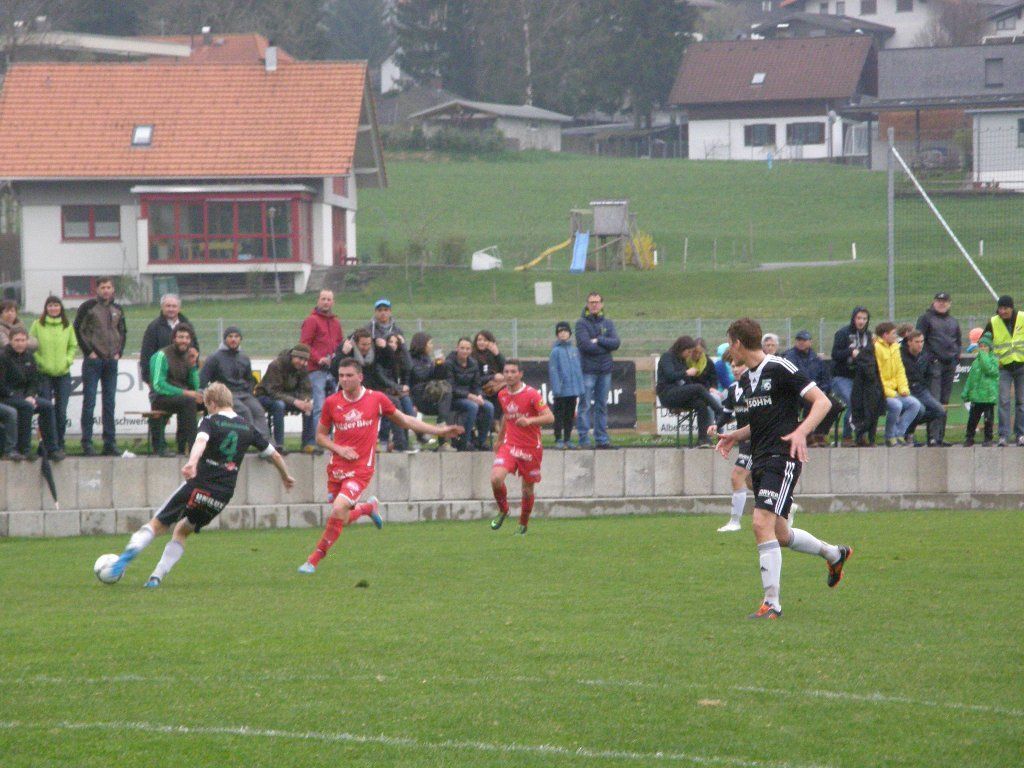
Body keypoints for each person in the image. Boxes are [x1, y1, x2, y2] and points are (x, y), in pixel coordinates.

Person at [714, 317, 851, 620]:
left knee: (760, 522)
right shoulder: (747, 379)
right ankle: (834, 553)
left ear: (738, 343)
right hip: (760, 457)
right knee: (781, 534)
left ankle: (771, 604)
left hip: (782, 456)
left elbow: (822, 402)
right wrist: (736, 435)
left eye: (729, 344)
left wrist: (802, 432)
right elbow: (762, 421)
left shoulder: (780, 367)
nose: (729, 352)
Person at [105, 382, 295, 587]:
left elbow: (201, 442)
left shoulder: (210, 421)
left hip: (199, 484)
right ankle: (156, 577)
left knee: (157, 524)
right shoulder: (247, 427)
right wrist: (285, 476)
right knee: (182, 531)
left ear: (212, 403)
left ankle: (125, 557)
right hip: (222, 495)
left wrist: (192, 462)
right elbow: (274, 454)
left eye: (206, 405)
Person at [298, 358, 463, 573]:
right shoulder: (332, 402)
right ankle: (367, 508)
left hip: (361, 468)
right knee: (342, 517)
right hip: (336, 468)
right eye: (341, 376)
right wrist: (339, 449)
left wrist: (440, 430)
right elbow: (320, 436)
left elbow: (406, 420)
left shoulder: (376, 399)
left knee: (338, 508)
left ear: (360, 377)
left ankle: (313, 560)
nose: (344, 380)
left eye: (349, 375)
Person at [490, 359, 555, 535]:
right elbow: (507, 416)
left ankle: (523, 524)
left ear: (520, 374)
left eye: (513, 372)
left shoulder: (532, 394)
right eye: (506, 372)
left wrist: (530, 420)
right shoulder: (503, 394)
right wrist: (499, 439)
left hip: (531, 447)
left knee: (527, 489)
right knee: (496, 478)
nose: (509, 375)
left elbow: (550, 417)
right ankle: (504, 510)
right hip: (510, 444)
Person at [73, 277, 126, 456]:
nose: (106, 290)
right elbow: (78, 329)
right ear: (97, 289)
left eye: (109, 287)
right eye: (103, 287)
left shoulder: (117, 308)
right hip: (93, 361)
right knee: (90, 402)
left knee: (109, 402)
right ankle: (87, 442)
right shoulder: (88, 307)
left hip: (111, 361)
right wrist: (88, 352)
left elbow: (122, 330)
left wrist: (119, 352)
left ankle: (109, 442)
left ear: (113, 289)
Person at [0, 328, 62, 461]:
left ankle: (51, 449)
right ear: (10, 341)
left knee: (47, 406)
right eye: (16, 340)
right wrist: (20, 397)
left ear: (27, 341)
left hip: (25, 396)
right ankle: (25, 449)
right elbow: (2, 385)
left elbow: (34, 381)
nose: (20, 343)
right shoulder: (3, 357)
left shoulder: (29, 356)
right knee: (26, 407)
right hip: (6, 397)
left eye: (23, 340)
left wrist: (30, 395)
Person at [200, 326, 269, 440]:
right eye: (230, 336)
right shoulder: (215, 357)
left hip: (244, 394)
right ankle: (249, 440)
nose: (233, 339)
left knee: (258, 410)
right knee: (245, 412)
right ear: (225, 339)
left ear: (240, 339)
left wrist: (249, 393)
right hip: (225, 395)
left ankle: (266, 443)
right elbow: (203, 378)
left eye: (236, 336)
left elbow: (249, 379)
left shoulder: (244, 357)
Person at [706, 351, 750, 532]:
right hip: (744, 441)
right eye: (732, 366)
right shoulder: (733, 389)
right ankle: (786, 506)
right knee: (752, 482)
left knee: (737, 475)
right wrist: (716, 425)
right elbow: (726, 413)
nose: (735, 369)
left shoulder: (755, 387)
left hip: (758, 440)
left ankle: (735, 522)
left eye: (739, 365)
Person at [655, 335, 725, 447]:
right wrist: (687, 373)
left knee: (701, 404)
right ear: (681, 348)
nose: (689, 354)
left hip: (679, 394)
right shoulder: (667, 357)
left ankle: (703, 440)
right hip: (667, 394)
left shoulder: (682, 360)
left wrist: (698, 392)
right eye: (688, 351)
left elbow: (687, 382)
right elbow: (670, 375)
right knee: (698, 387)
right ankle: (720, 412)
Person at [29, 296, 77, 452]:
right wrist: (39, 361)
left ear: (60, 308)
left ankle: (59, 443)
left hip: (63, 374)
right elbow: (31, 346)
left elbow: (72, 345)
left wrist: (68, 360)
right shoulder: (37, 324)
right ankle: (44, 444)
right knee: (45, 410)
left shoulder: (67, 325)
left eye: (56, 305)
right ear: (46, 308)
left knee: (61, 411)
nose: (53, 308)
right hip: (44, 374)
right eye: (50, 305)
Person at [299, 290, 344, 454]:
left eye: (329, 299)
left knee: (334, 406)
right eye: (323, 299)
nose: (326, 302)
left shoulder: (336, 322)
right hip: (316, 370)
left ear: (333, 302)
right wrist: (319, 359)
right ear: (318, 301)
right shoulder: (311, 320)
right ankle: (321, 440)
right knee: (319, 406)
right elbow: (304, 344)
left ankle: (331, 439)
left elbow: (339, 343)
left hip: (333, 370)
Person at [149, 324, 203, 456]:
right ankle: (193, 448)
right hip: (161, 397)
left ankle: (193, 445)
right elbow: (158, 385)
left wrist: (193, 365)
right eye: (180, 337)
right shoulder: (161, 355)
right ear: (174, 338)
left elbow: (195, 386)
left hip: (182, 398)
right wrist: (185, 393)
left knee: (208, 403)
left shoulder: (188, 356)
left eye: (187, 338)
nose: (184, 341)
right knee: (188, 401)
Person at [575, 292, 620, 449]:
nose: (594, 305)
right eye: (591, 302)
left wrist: (599, 340)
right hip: (588, 370)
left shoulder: (608, 323)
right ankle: (584, 439)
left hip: (605, 370)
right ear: (587, 304)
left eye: (597, 302)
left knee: (602, 405)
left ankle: (601, 439)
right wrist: (605, 346)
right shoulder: (581, 324)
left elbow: (616, 343)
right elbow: (585, 346)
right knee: (585, 405)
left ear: (602, 304)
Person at [783, 330, 841, 447]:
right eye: (799, 340)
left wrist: (823, 390)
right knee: (812, 402)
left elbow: (826, 379)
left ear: (810, 342)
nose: (801, 342)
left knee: (834, 405)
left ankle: (820, 433)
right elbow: (792, 377)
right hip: (798, 392)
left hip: (817, 391)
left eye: (804, 340)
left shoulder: (816, 359)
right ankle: (807, 433)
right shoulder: (790, 357)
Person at [254, 344, 313, 453]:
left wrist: (305, 400)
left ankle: (308, 444)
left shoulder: (302, 368)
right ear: (293, 356)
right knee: (279, 405)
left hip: (286, 397)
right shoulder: (276, 365)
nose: (302, 362)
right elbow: (273, 392)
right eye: (300, 359)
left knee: (309, 407)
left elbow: (306, 389)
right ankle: (279, 444)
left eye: (305, 360)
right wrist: (295, 401)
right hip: (265, 396)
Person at [982, 295, 1024, 446]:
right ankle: (1003, 435)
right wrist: (992, 360)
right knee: (1004, 401)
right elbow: (984, 342)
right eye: (1000, 308)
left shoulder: (1022, 318)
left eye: (1005, 308)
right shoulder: (993, 322)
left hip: (1021, 366)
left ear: (1012, 308)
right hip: (1003, 368)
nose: (1003, 311)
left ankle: (1021, 434)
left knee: (1021, 401)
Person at [874, 322, 922, 447]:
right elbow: (877, 376)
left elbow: (900, 371)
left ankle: (899, 433)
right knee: (896, 405)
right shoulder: (876, 348)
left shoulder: (895, 347)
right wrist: (890, 393)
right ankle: (889, 436)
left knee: (915, 404)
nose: (896, 336)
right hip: (881, 392)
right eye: (893, 333)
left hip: (895, 391)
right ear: (885, 335)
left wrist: (903, 389)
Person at [408, 332, 457, 452]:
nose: (431, 346)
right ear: (422, 344)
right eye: (429, 343)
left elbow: (438, 377)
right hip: (418, 396)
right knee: (446, 396)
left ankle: (444, 437)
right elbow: (421, 375)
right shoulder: (410, 359)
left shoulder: (427, 359)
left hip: (429, 394)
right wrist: (433, 366)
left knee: (448, 397)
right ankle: (442, 436)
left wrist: (440, 365)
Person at [900, 330, 948, 446]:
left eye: (922, 341)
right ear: (909, 342)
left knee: (940, 411)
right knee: (919, 409)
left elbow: (928, 373)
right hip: (906, 389)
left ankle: (908, 423)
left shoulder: (924, 355)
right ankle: (908, 433)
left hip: (921, 389)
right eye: (917, 342)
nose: (920, 344)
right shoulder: (900, 355)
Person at [831, 306, 871, 443]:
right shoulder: (843, 333)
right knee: (853, 402)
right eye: (859, 318)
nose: (861, 321)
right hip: (842, 377)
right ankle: (847, 436)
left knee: (866, 402)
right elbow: (835, 354)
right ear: (854, 319)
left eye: (864, 318)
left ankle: (861, 435)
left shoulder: (868, 335)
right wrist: (850, 352)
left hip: (860, 377)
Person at [446, 337, 494, 451]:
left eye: (467, 349)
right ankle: (464, 441)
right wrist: (470, 396)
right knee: (472, 406)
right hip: (454, 398)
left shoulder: (473, 363)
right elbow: (451, 387)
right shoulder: (449, 363)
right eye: (462, 348)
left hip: (470, 396)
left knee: (489, 407)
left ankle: (481, 441)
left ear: (471, 350)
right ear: (457, 348)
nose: (465, 351)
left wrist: (479, 395)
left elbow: (477, 384)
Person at [916, 291, 961, 410]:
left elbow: (958, 341)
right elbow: (919, 339)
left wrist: (956, 357)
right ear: (934, 302)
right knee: (934, 399)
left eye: (944, 302)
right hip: (933, 364)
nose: (942, 304)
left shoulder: (953, 321)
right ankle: (934, 423)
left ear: (949, 304)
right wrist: (929, 358)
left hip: (950, 364)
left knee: (945, 400)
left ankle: (942, 423)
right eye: (939, 301)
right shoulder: (925, 318)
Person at [139, 294, 197, 386]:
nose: (171, 309)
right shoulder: (154, 327)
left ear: (179, 308)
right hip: (162, 378)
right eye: (168, 306)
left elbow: (195, 348)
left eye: (174, 306)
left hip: (184, 378)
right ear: (162, 307)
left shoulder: (188, 325)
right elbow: (146, 354)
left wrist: (193, 372)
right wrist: (148, 378)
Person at [376, 333, 419, 453]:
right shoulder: (380, 358)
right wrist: (399, 387)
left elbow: (409, 366)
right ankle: (416, 434)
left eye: (396, 343)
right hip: (384, 391)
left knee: (406, 402)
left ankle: (405, 442)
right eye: (390, 342)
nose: (393, 345)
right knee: (400, 404)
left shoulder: (399, 357)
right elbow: (382, 379)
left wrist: (404, 346)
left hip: (396, 392)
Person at [548, 321, 585, 449]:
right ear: (557, 335)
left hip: (573, 390)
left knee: (570, 415)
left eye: (565, 331)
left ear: (570, 333)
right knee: (559, 415)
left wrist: (580, 387)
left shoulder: (575, 350)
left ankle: (567, 439)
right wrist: (557, 388)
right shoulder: (555, 351)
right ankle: (558, 438)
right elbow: (553, 371)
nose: (563, 334)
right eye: (560, 332)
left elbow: (578, 370)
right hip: (561, 390)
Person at [962, 333, 999, 447]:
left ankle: (988, 438)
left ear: (990, 348)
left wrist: (983, 356)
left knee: (988, 419)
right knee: (973, 419)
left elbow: (989, 370)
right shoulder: (975, 362)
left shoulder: (993, 360)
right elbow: (971, 379)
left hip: (988, 396)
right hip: (976, 396)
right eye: (981, 346)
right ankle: (969, 437)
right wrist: (966, 392)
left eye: (985, 346)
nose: (982, 349)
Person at [472, 330, 506, 421]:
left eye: (485, 340)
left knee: (505, 391)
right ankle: (494, 421)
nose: (481, 342)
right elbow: (475, 379)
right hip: (480, 388)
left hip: (494, 387)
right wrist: (492, 377)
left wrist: (497, 354)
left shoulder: (493, 355)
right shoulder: (473, 356)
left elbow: (506, 369)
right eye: (479, 340)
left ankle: (498, 420)